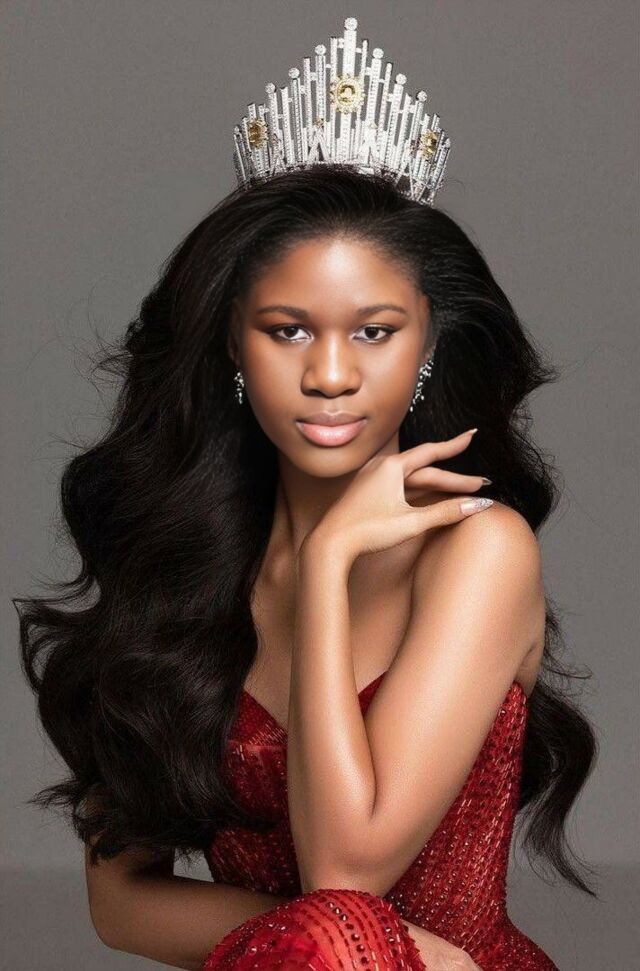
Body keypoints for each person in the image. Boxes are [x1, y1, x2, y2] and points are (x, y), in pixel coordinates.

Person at [15, 16, 599, 971]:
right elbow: (121, 905)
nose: (330, 375)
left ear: (427, 345)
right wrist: (326, 938)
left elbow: (345, 868)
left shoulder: (480, 550)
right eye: (288, 330)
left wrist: (326, 564)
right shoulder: (181, 560)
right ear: (232, 347)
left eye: (374, 331)